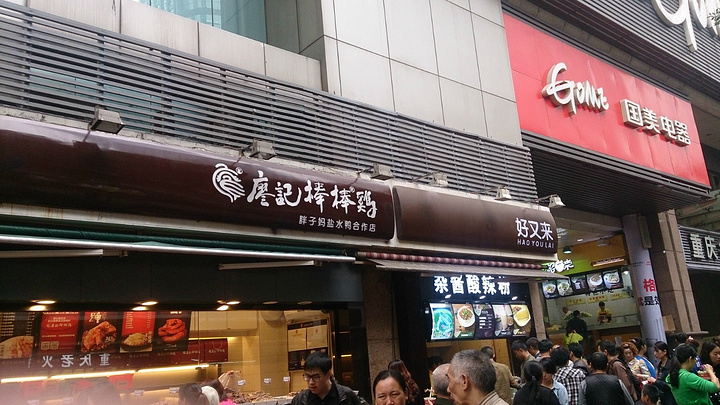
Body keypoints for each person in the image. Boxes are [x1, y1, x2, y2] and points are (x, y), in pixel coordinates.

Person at [291, 351, 361, 405]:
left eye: (316, 377)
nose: (311, 382)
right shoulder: (299, 400)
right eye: (308, 376)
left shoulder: (346, 396)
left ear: (328, 374)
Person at [700, 340, 720, 405]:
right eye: (715, 354)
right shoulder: (702, 370)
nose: (719, 356)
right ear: (707, 354)